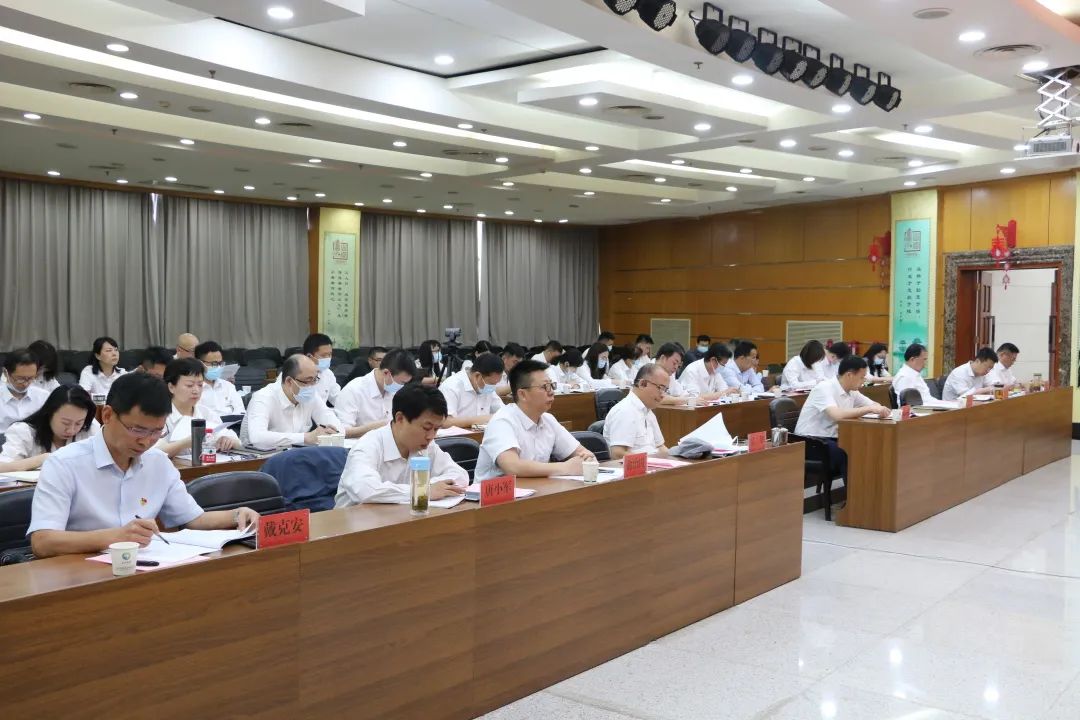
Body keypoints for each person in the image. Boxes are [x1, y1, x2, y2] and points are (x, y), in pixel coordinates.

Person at [27, 372, 260, 559]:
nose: (146, 441)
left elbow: (193, 519)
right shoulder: (64, 464)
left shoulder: (158, 462)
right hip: (79, 573)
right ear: (107, 415)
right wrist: (116, 537)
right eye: (137, 429)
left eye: (156, 431)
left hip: (143, 568)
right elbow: (43, 542)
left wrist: (236, 515)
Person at [335, 384, 468, 507]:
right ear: (400, 418)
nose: (431, 436)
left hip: (400, 518)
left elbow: (459, 475)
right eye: (427, 428)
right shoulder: (368, 446)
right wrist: (422, 490)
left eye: (436, 429)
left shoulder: (427, 445)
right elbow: (365, 490)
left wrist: (431, 487)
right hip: (356, 521)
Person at [475, 360, 595, 481]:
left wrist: (587, 460)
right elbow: (512, 467)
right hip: (497, 492)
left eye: (552, 385)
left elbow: (584, 454)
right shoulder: (502, 422)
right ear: (522, 394)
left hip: (536, 489)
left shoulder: (548, 419)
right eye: (544, 387)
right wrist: (565, 467)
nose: (551, 392)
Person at [794, 356, 890, 488]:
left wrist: (879, 409)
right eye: (862, 377)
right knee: (848, 452)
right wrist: (869, 409)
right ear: (849, 375)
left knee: (866, 445)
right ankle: (853, 495)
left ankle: (867, 491)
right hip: (811, 441)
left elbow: (874, 405)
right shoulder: (824, 388)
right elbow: (837, 415)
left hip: (832, 437)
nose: (864, 381)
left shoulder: (852, 391)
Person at [239, 354, 344, 450]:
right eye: (308, 381)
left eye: (315, 380)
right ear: (289, 381)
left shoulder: (311, 394)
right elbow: (258, 438)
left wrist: (334, 432)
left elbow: (329, 418)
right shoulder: (263, 397)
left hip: (294, 455)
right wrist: (305, 437)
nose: (312, 386)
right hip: (256, 458)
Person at [0, 385, 99, 472]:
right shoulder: (24, 431)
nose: (71, 430)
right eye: (65, 423)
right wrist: (42, 459)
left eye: (78, 423)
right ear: (50, 413)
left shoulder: (89, 428)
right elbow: (2, 467)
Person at [156, 358, 240, 457]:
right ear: (171, 387)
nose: (196, 390)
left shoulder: (206, 413)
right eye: (189, 385)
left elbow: (237, 442)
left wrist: (227, 440)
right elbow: (154, 452)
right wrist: (185, 443)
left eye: (200, 385)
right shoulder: (160, 415)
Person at [335, 348, 418, 435]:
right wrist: (374, 428)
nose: (402, 386)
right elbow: (341, 432)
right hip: (359, 442)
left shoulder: (394, 391)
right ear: (386, 373)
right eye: (401, 383)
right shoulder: (353, 390)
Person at [603, 364, 669, 459]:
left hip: (652, 464)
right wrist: (651, 462)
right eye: (660, 388)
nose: (663, 395)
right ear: (642, 384)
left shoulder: (648, 412)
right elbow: (618, 453)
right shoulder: (624, 411)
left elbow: (661, 447)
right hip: (635, 467)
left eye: (665, 390)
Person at [439, 353, 505, 428]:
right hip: (458, 435)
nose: (493, 387)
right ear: (477, 376)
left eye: (495, 384)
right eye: (491, 383)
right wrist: (482, 419)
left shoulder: (487, 388)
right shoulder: (451, 386)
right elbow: (445, 422)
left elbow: (503, 412)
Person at [2, 349, 50, 433]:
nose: (25, 384)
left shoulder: (44, 397)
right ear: (6, 373)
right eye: (20, 378)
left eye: (31, 378)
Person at [195, 340, 246, 417]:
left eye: (220, 363)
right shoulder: (192, 389)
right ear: (200, 363)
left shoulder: (228, 386)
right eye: (214, 363)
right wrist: (230, 409)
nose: (218, 367)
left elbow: (241, 412)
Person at [301, 332, 340, 406]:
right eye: (323, 355)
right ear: (309, 356)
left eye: (330, 354)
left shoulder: (328, 373)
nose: (328, 359)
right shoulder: (292, 373)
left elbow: (338, 398)